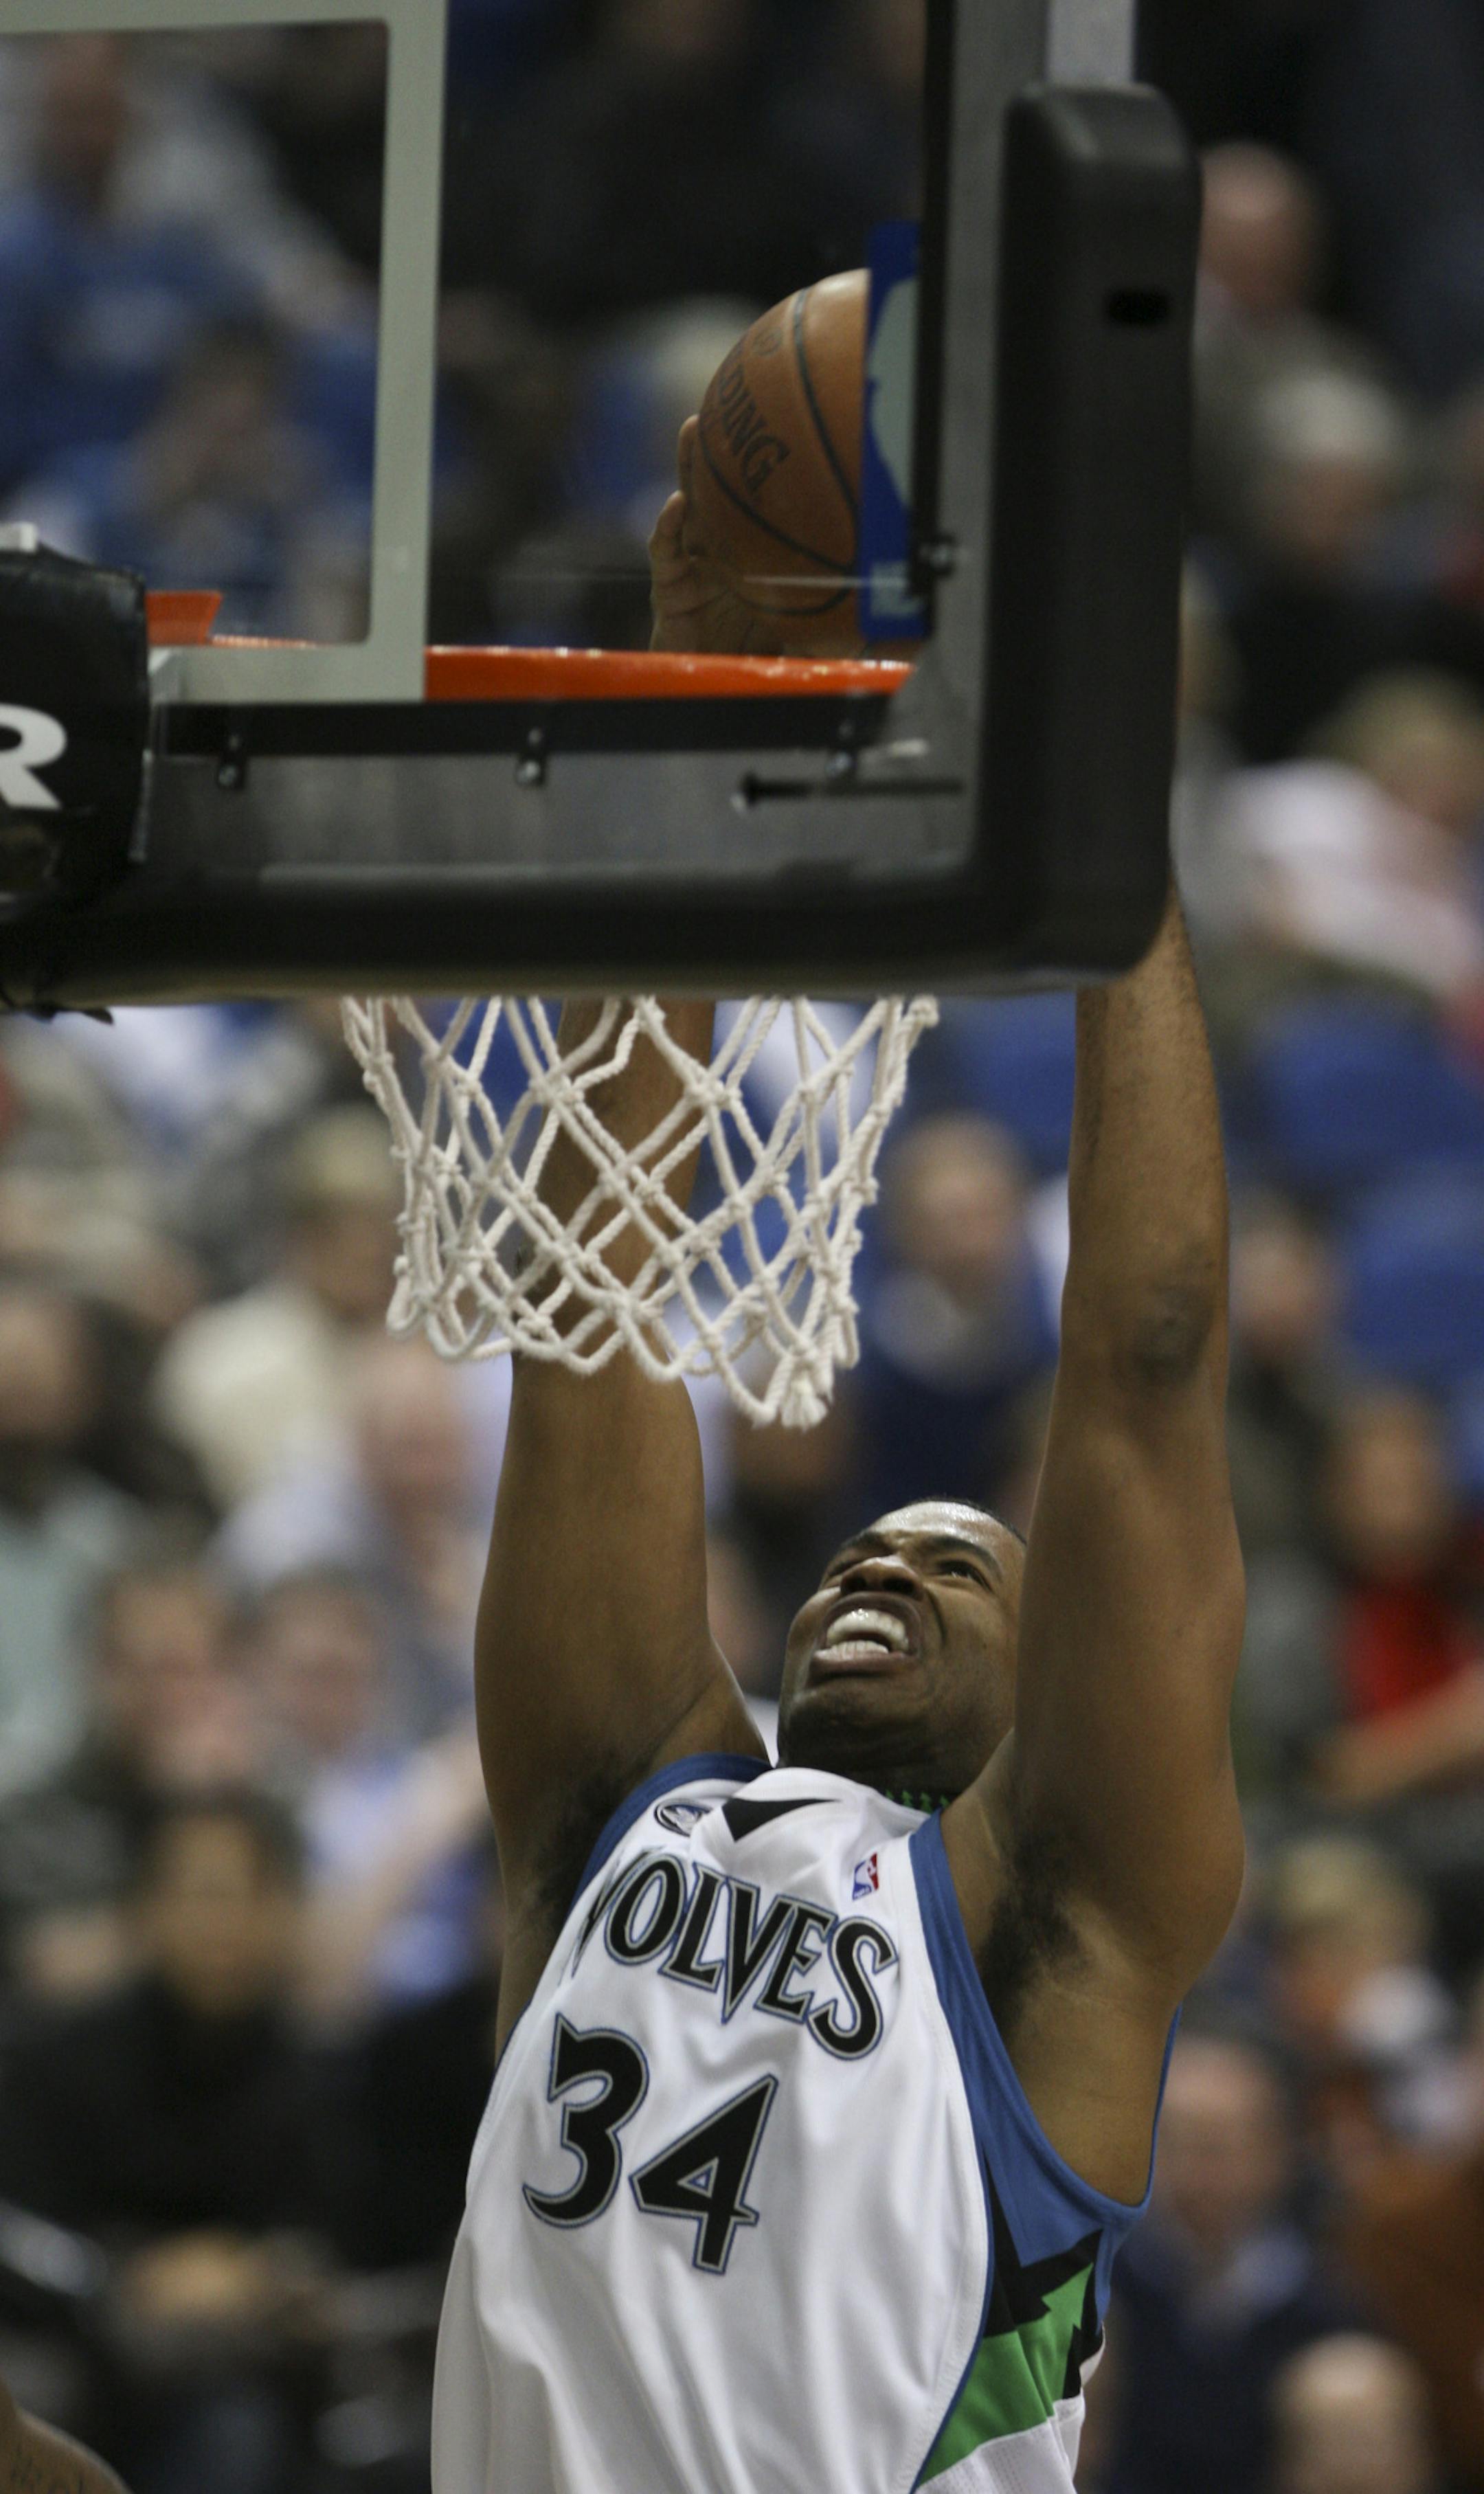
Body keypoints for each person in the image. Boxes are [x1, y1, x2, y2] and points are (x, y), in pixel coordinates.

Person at [427, 426, 1248, 2491]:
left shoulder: (1057, 1932)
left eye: (962, 1566)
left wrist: (1102, 843)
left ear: (1034, 1682)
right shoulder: (632, 1812)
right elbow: (594, 1278)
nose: (888, 1568)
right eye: (874, 1550)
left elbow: (1143, 1366)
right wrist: (692, 694)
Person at [1102, 2028, 1366, 2494]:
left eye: (1218, 2148)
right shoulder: (1101, 2290)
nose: (1199, 2174)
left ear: (1279, 2153)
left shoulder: (1325, 2305)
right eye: (1177, 2144)